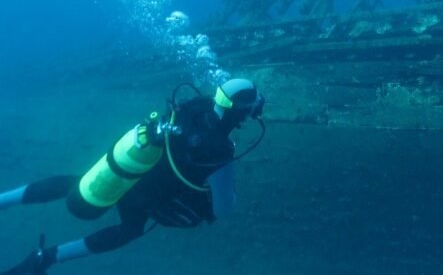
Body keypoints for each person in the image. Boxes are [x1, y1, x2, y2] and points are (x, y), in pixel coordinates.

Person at [0, 78, 266, 274]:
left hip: (131, 167)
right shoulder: (221, 150)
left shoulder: (198, 104)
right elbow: (224, 209)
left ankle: (4, 199)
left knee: (79, 181)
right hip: (150, 194)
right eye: (254, 105)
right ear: (242, 112)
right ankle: (46, 258)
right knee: (130, 229)